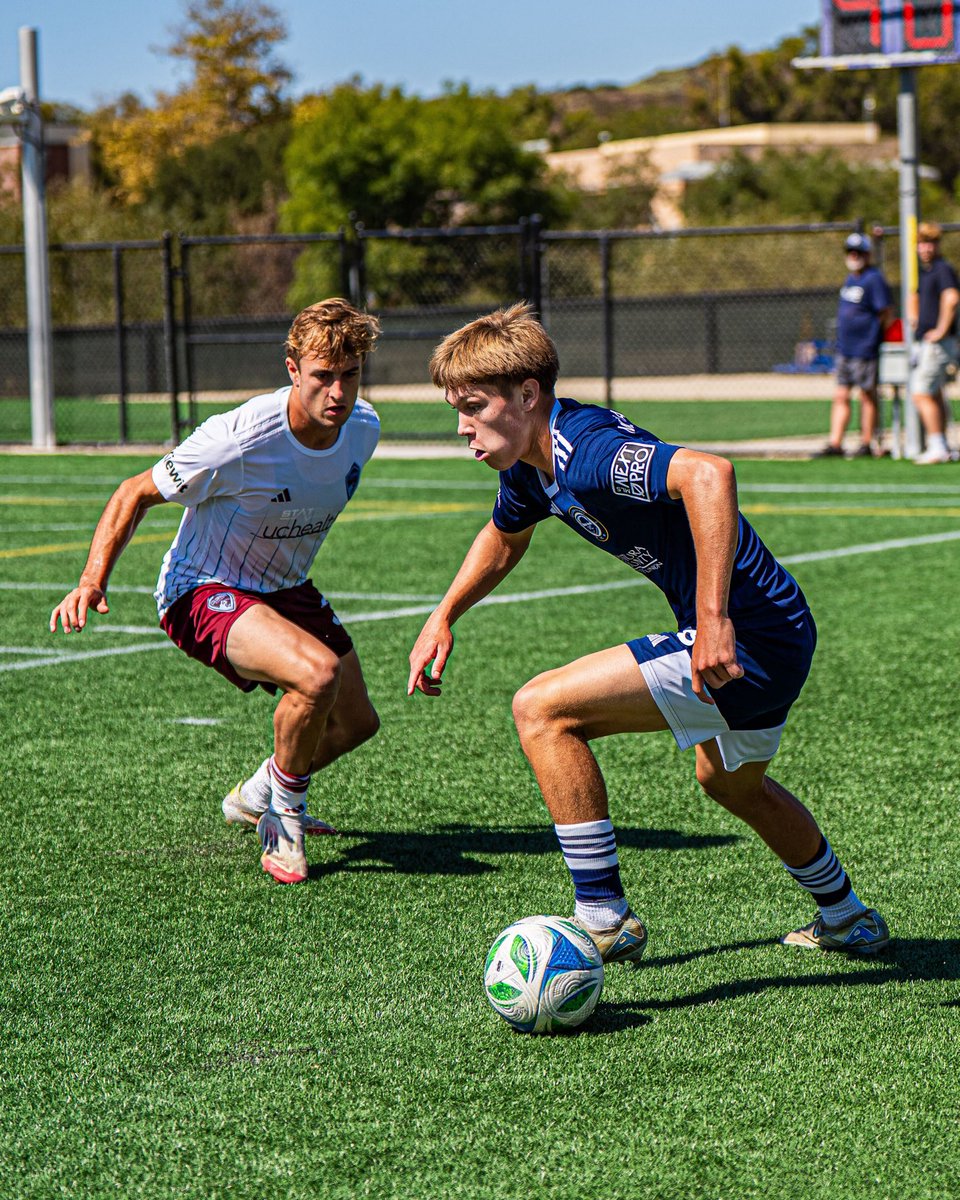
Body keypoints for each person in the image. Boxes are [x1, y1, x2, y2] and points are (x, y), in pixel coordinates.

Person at [408, 303, 888, 962]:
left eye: (474, 407)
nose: (461, 427)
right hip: (778, 628)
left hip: (750, 635)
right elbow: (504, 536)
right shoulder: (528, 464)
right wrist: (444, 615)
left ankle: (603, 916)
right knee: (731, 784)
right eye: (455, 410)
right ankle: (847, 914)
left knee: (542, 710)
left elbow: (707, 474)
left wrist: (714, 621)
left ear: (527, 395)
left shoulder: (586, 453)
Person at [50, 298, 383, 885]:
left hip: (286, 588)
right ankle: (284, 820)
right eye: (322, 375)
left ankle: (256, 796)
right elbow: (133, 493)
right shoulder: (236, 439)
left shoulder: (363, 430)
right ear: (291, 367)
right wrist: (90, 581)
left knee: (355, 722)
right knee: (317, 675)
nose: (337, 391)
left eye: (350, 374)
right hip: (203, 589)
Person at [815, 232, 892, 459]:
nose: (854, 256)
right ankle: (835, 443)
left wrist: (874, 338)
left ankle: (867, 443)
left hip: (865, 349)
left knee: (867, 396)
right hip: (845, 349)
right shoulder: (850, 279)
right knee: (841, 395)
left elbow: (886, 312)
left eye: (858, 252)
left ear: (867, 255)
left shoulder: (873, 278)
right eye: (850, 251)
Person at [908, 221, 960, 465]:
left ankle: (937, 444)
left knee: (920, 393)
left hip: (938, 344)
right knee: (935, 393)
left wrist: (940, 330)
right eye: (922, 243)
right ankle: (943, 445)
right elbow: (914, 296)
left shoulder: (942, 269)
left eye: (930, 243)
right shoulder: (925, 271)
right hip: (927, 342)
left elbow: (951, 298)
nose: (925, 248)